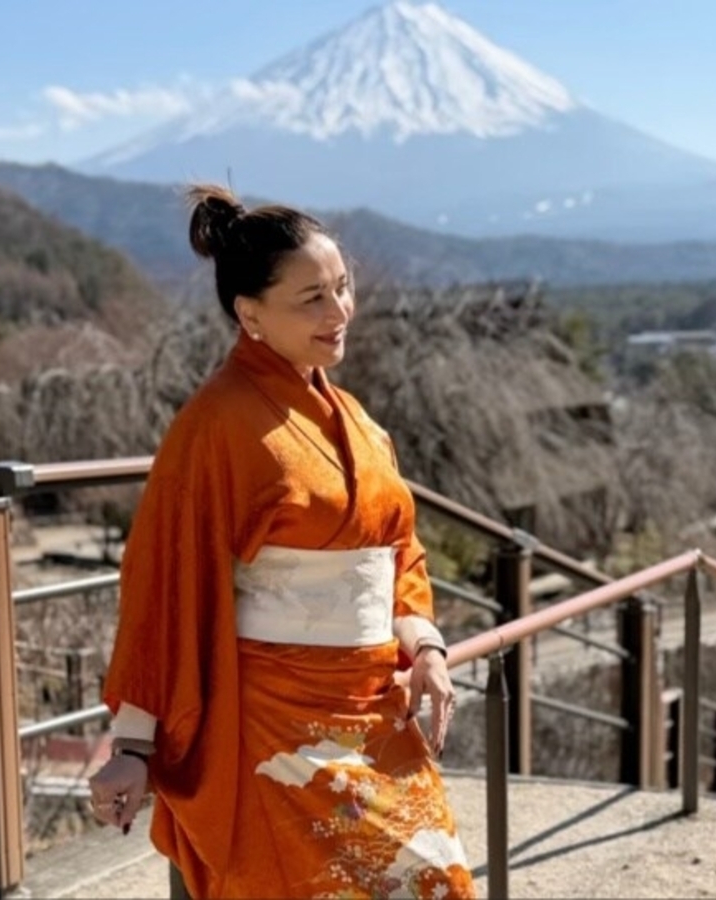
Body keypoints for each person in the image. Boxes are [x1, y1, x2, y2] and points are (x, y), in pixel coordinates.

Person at [86, 185, 475, 899]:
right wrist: (134, 744)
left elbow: (399, 554)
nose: (339, 312)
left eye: (342, 288)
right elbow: (164, 588)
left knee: (438, 882)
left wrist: (424, 645)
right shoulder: (216, 426)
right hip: (272, 727)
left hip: (372, 710)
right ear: (250, 313)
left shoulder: (353, 415)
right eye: (312, 299)